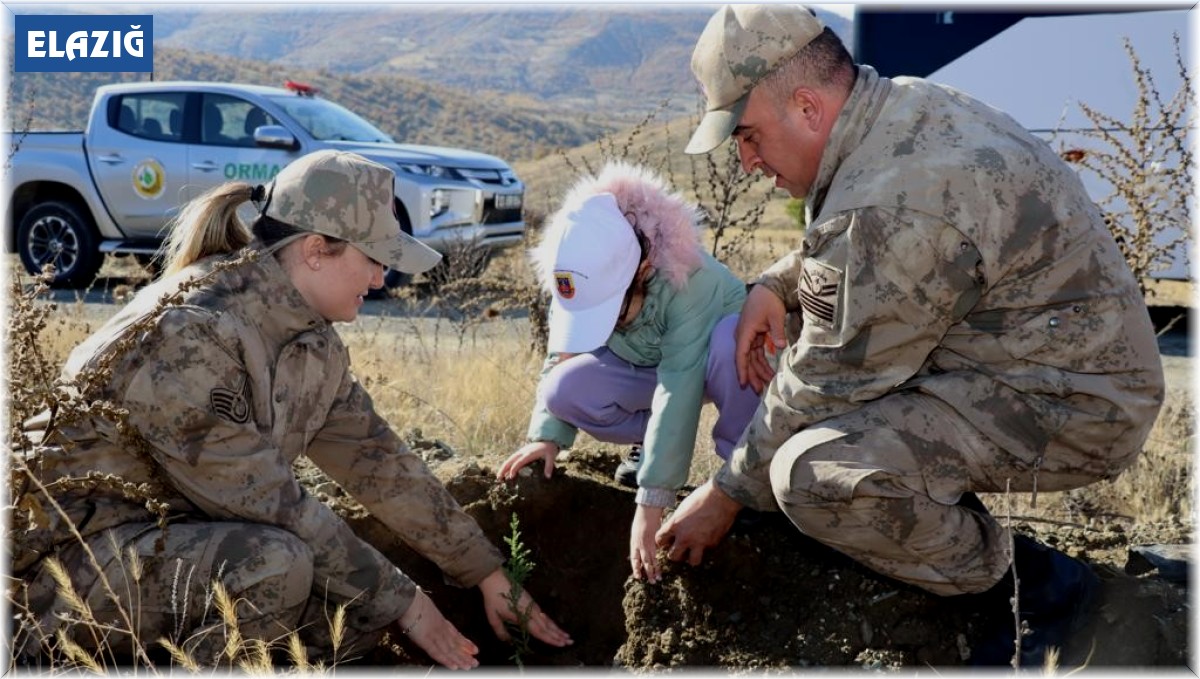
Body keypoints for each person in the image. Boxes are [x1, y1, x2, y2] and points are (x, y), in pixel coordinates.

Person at [655, 4, 1165, 667]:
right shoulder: (898, 109)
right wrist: (774, 286)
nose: (748, 161)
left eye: (748, 136)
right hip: (1045, 361)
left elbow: (821, 383)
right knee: (836, 435)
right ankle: (948, 506)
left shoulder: (888, 203)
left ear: (807, 107)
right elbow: (858, 242)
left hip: (1079, 403)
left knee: (813, 472)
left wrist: (725, 494)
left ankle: (1040, 593)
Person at [13, 150, 571, 669]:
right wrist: (409, 603)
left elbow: (380, 462)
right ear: (314, 249)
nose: (382, 278)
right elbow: (271, 503)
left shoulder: (310, 341)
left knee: (345, 617)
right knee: (276, 565)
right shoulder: (189, 335)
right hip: (59, 572)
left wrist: (487, 573)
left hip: (167, 544)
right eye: (374, 259)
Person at [496, 161, 760, 584]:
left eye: (611, 309)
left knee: (735, 343)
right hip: (641, 367)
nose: (609, 322)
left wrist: (651, 503)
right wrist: (547, 436)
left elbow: (679, 387)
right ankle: (647, 442)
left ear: (642, 269)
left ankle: (740, 481)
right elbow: (561, 355)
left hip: (709, 362)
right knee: (561, 391)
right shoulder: (578, 263)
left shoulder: (692, 281)